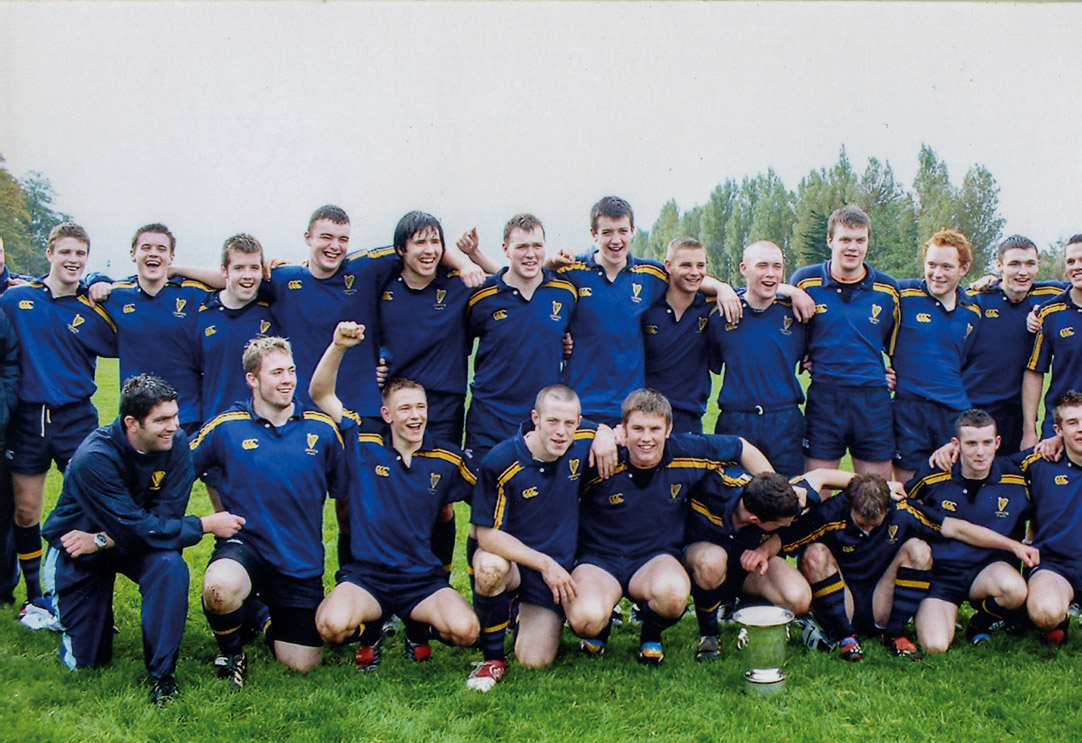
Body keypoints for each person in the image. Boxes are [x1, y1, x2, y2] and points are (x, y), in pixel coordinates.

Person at [39, 375, 245, 704]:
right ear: (131, 423)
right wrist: (205, 524)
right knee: (88, 662)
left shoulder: (177, 444)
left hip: (109, 540)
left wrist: (104, 539)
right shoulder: (94, 457)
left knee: (169, 565)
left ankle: (163, 676)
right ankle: (60, 608)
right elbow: (139, 529)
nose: (173, 426)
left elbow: (164, 525)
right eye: (162, 419)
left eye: (175, 416)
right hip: (79, 548)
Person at [309, 322, 479, 671]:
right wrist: (338, 346)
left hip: (421, 579)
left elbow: (486, 503)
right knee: (331, 626)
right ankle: (370, 627)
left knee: (466, 631)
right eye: (404, 409)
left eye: (420, 408)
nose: (415, 416)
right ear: (386, 415)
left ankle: (416, 628)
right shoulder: (364, 440)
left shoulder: (447, 458)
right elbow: (321, 394)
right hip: (368, 577)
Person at [563, 388, 772, 665]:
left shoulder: (687, 451)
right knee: (585, 619)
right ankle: (599, 629)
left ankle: (651, 635)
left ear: (669, 429)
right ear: (622, 429)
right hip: (599, 560)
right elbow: (545, 430)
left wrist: (774, 489)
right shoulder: (601, 455)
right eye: (637, 428)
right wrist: (599, 431)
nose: (646, 438)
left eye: (654, 428)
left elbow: (741, 446)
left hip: (654, 558)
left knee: (673, 595)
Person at [191, 337, 347, 686]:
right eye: (276, 372)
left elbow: (345, 494)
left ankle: (260, 614)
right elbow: (178, 468)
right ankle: (231, 653)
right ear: (252, 379)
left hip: (299, 558)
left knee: (301, 665)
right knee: (219, 588)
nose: (287, 380)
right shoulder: (226, 427)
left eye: (291, 371)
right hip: (247, 546)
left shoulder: (321, 429)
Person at [758, 473, 1036, 661]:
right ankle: (844, 636)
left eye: (874, 522)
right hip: (844, 598)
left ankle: (895, 633)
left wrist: (1013, 546)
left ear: (888, 507)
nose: (868, 527)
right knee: (815, 552)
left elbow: (958, 529)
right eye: (861, 521)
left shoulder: (903, 511)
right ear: (849, 504)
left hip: (883, 596)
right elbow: (785, 538)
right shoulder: (829, 513)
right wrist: (761, 551)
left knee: (919, 549)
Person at [0, 222, 117, 629]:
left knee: (93, 507)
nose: (72, 260)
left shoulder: (93, 307)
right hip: (29, 420)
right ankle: (35, 596)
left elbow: (130, 335)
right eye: (65, 252)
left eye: (80, 254)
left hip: (76, 418)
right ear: (49, 253)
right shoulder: (17, 298)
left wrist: (102, 281)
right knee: (27, 509)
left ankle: (91, 597)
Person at [468, 384, 615, 690]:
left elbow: (628, 431)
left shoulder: (583, 441)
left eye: (569, 423)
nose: (561, 432)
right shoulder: (501, 461)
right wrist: (545, 564)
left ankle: (520, 614)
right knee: (489, 566)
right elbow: (486, 536)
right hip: (516, 563)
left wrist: (604, 432)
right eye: (552, 422)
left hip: (555, 572)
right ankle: (492, 658)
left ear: (579, 422)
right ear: (535, 418)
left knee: (535, 660)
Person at [910, 409, 1033, 652]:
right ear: (955, 444)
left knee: (1014, 589)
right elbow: (903, 509)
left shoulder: (1016, 476)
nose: (980, 452)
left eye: (987, 443)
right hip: (942, 576)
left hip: (988, 571)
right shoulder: (934, 474)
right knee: (935, 646)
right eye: (971, 443)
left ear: (997, 443)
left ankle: (980, 624)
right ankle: (925, 610)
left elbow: (1056, 447)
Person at [792, 205, 899, 480]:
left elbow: (896, 344)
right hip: (826, 396)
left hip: (872, 399)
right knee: (817, 489)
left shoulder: (888, 290)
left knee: (876, 492)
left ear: (868, 242)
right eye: (845, 239)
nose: (853, 247)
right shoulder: (804, 282)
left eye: (860, 240)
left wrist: (886, 373)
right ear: (830, 241)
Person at [462, 214, 577, 461]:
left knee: (536, 496)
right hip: (489, 418)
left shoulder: (565, 292)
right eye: (521, 246)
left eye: (537, 246)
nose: (530, 254)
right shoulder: (482, 297)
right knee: (484, 495)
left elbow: (571, 336)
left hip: (540, 420)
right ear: (505, 249)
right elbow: (457, 348)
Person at [87, 224, 211, 435]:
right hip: (138, 417)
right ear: (133, 253)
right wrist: (94, 279)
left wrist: (178, 270)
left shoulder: (192, 293)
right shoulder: (116, 295)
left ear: (171, 257)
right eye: (146, 247)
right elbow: (69, 287)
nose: (153, 253)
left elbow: (229, 280)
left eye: (161, 249)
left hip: (186, 414)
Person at [683, 469, 817, 661]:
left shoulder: (782, 498)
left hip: (748, 571)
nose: (784, 526)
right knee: (711, 561)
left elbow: (820, 478)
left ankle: (753, 610)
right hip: (701, 562)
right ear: (755, 520)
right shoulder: (712, 486)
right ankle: (709, 634)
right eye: (779, 524)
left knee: (797, 597)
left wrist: (764, 550)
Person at [710, 240, 808, 477]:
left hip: (784, 422)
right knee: (733, 498)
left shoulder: (797, 313)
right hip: (737, 421)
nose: (770, 274)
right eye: (762, 266)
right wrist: (721, 287)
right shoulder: (720, 313)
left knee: (788, 498)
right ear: (744, 268)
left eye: (777, 266)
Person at [891, 229, 981, 483]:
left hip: (953, 411)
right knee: (908, 488)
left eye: (946, 266)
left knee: (950, 488)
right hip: (909, 409)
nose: (937, 273)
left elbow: (966, 358)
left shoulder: (973, 309)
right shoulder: (903, 295)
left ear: (963, 268)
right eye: (931, 265)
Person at [379, 211, 474, 446]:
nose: (429, 250)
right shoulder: (382, 286)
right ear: (401, 249)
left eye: (435, 242)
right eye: (420, 242)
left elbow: (510, 282)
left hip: (444, 406)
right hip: (397, 401)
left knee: (442, 474)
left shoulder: (458, 284)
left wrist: (467, 261)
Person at [963, 235, 1062, 454]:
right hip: (976, 411)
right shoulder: (978, 299)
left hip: (1020, 416)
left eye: (1030, 264)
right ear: (999, 266)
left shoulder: (1050, 296)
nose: (1023, 272)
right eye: (1014, 264)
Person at [1021, 390, 1082, 645]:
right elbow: (985, 462)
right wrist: (952, 448)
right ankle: (1060, 617)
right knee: (1045, 613)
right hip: (1056, 566)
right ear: (1058, 429)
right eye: (1072, 423)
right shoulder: (1039, 463)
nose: (1081, 429)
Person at [193, 233, 276, 422]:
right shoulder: (203, 314)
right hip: (216, 424)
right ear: (224, 271)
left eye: (254, 268)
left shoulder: (273, 310)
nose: (247, 276)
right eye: (239, 268)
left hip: (264, 426)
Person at [641, 237, 714, 433]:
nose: (695, 272)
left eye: (700, 265)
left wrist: (794, 293)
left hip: (690, 417)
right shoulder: (646, 307)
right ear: (668, 265)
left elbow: (755, 294)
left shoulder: (711, 306)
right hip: (647, 415)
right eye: (686, 265)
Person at [1022, 235, 1082, 450]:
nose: (1077, 267)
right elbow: (1034, 371)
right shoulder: (1049, 312)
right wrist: (1030, 430)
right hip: (1059, 430)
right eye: (1071, 261)